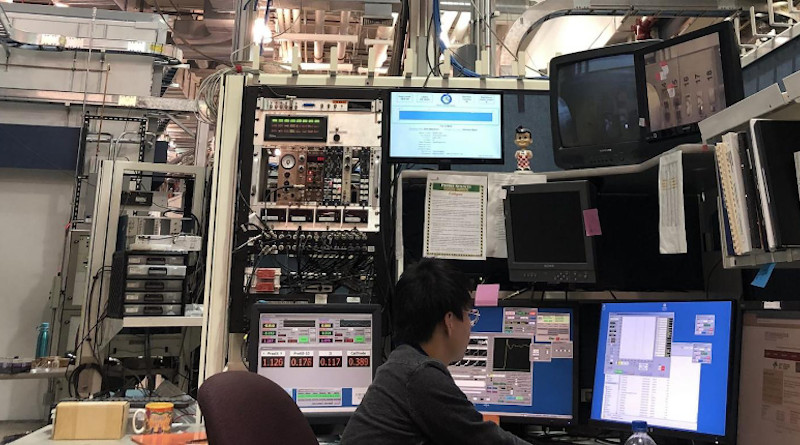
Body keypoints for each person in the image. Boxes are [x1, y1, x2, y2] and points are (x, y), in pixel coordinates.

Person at [340, 259, 528, 445]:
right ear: (449, 321)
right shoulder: (420, 376)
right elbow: (488, 440)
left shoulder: (403, 364)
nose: (470, 325)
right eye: (469, 315)